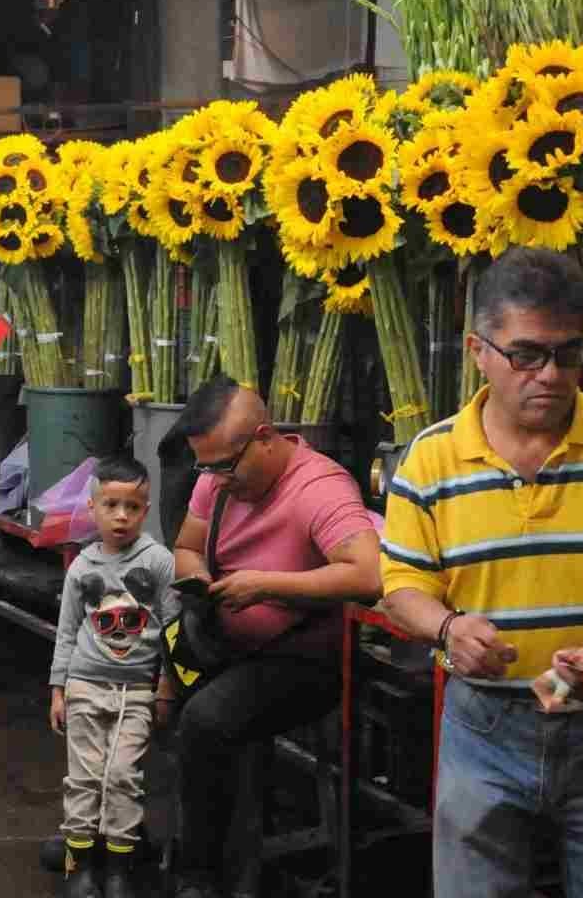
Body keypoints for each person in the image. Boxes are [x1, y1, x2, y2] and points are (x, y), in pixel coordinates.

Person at [378, 247, 583, 898]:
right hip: (483, 729)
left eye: (568, 354)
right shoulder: (431, 460)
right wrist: (447, 629)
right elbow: (402, 589)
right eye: (526, 354)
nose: (550, 374)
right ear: (478, 350)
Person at [163, 377, 383, 898]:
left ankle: (199, 876)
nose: (215, 479)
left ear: (264, 436)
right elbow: (186, 546)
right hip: (222, 638)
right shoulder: (215, 475)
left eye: (224, 466)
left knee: (205, 722)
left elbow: (367, 576)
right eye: (206, 467)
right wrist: (201, 581)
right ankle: (114, 832)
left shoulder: (320, 488)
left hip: (299, 658)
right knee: (130, 670)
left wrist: (265, 586)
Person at [49, 456, 175, 898]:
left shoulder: (160, 563)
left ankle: (119, 866)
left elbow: (173, 632)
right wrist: (58, 690)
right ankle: (76, 864)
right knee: (83, 778)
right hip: (84, 685)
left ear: (146, 508)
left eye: (133, 507)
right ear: (92, 507)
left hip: (137, 690)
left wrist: (165, 690)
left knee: (122, 775)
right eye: (111, 504)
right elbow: (66, 632)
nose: (121, 516)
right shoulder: (82, 567)